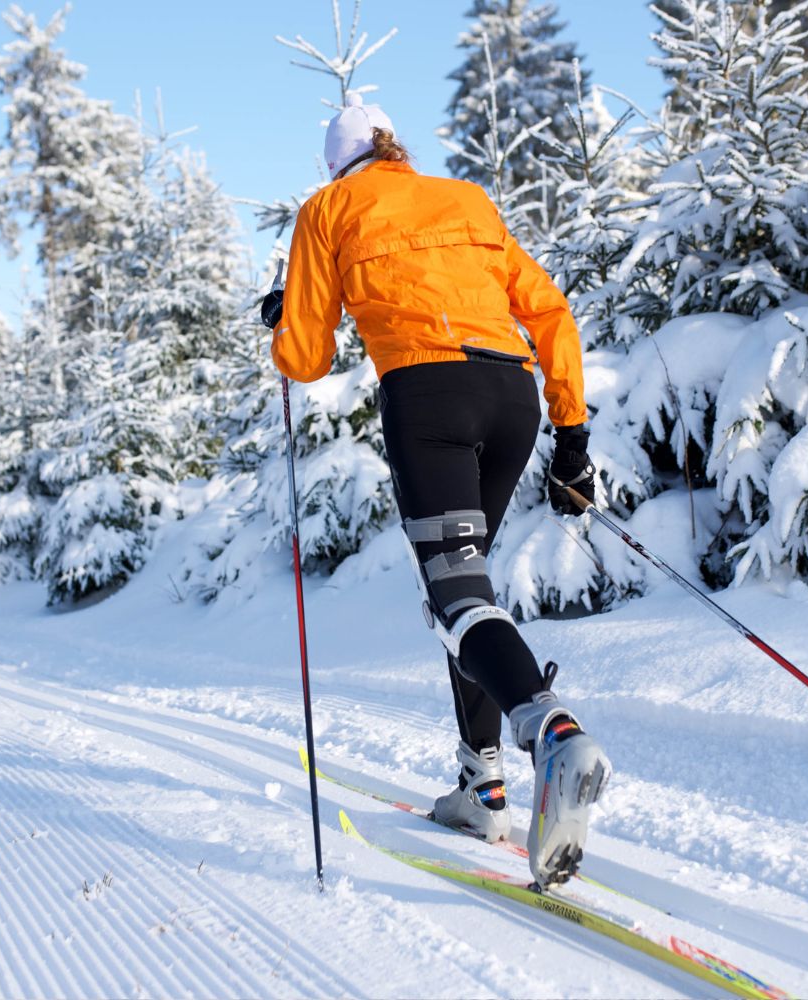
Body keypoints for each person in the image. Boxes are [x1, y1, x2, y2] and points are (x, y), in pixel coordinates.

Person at [261, 94, 611, 887]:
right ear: (394, 147)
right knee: (470, 592)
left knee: (456, 595)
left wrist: (284, 323)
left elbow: (308, 357)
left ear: (337, 165)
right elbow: (550, 311)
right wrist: (574, 438)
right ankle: (480, 785)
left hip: (429, 400)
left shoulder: (328, 209)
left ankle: (552, 733)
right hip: (512, 395)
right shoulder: (466, 198)